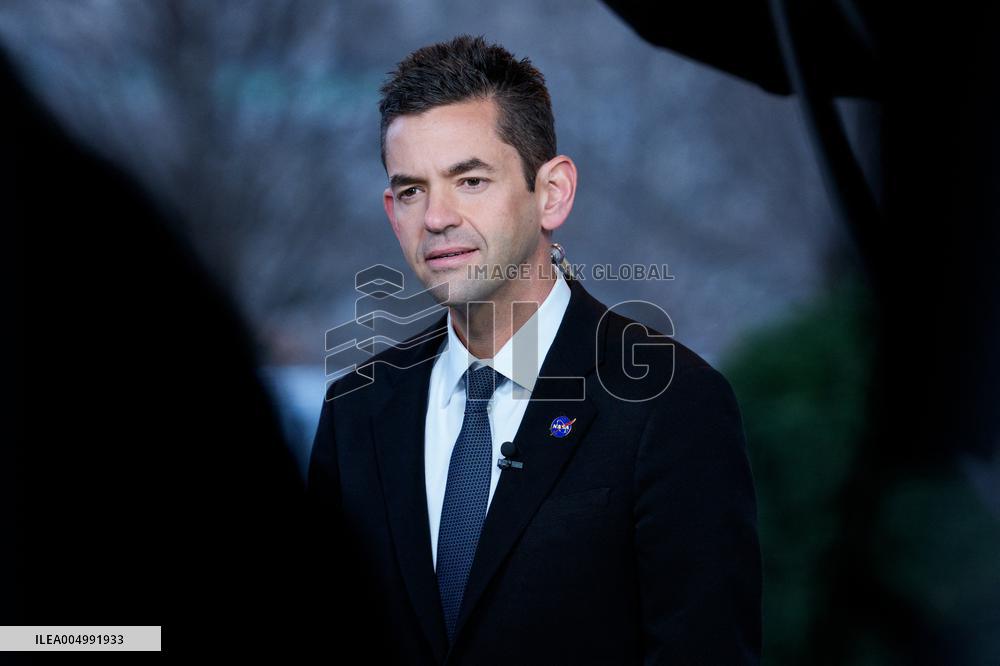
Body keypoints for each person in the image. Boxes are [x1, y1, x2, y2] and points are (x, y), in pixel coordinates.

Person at [307, 34, 761, 664]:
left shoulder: (671, 402)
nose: (435, 216)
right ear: (391, 210)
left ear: (552, 193)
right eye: (411, 190)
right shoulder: (356, 409)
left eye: (469, 180)